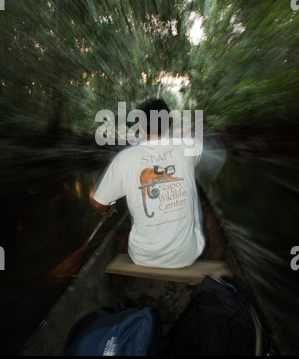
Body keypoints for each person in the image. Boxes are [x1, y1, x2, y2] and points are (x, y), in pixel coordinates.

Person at [92, 98, 226, 269]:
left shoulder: (125, 158)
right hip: (187, 255)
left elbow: (98, 203)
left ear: (139, 127)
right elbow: (212, 162)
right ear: (170, 125)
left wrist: (107, 208)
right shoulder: (188, 146)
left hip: (142, 257)